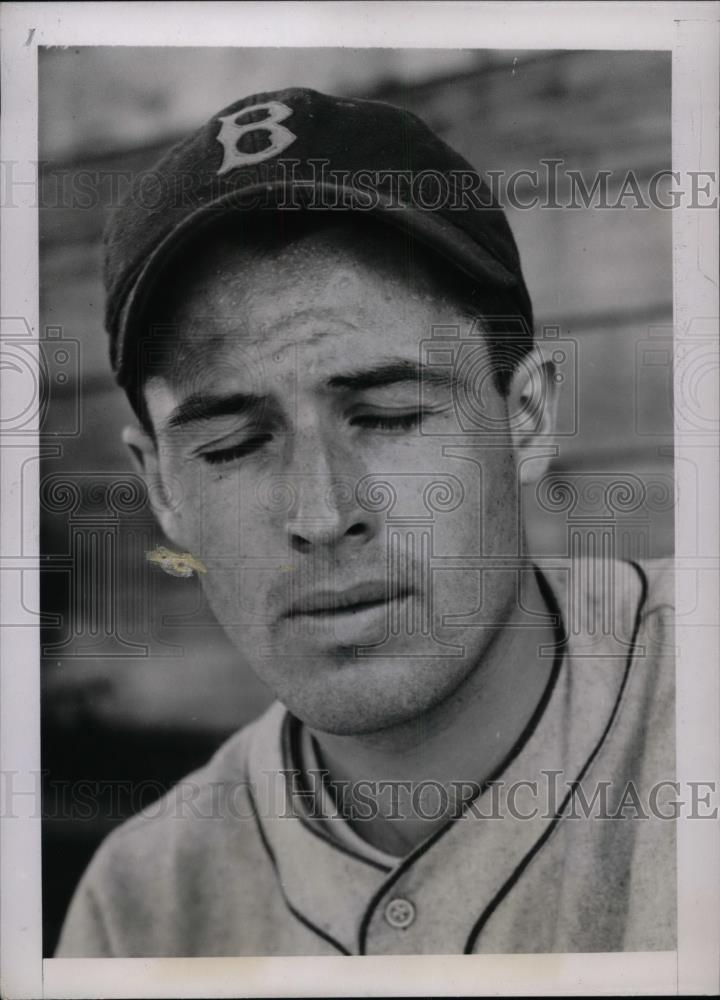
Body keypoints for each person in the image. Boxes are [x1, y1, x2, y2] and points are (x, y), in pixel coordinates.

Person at [56, 87, 675, 957]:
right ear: (162, 488)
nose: (322, 512)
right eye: (234, 444)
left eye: (388, 415)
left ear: (526, 415)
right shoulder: (138, 910)